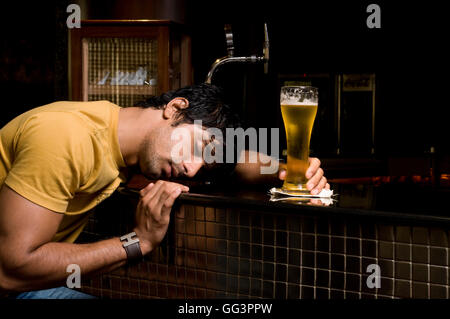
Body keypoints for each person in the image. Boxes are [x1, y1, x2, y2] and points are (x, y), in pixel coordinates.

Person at [0, 83, 328, 298]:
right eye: (200, 147)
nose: (193, 169)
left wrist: (289, 171)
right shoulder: (67, 138)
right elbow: (11, 269)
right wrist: (138, 242)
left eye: (206, 163)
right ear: (175, 108)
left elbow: (235, 159)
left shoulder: (125, 142)